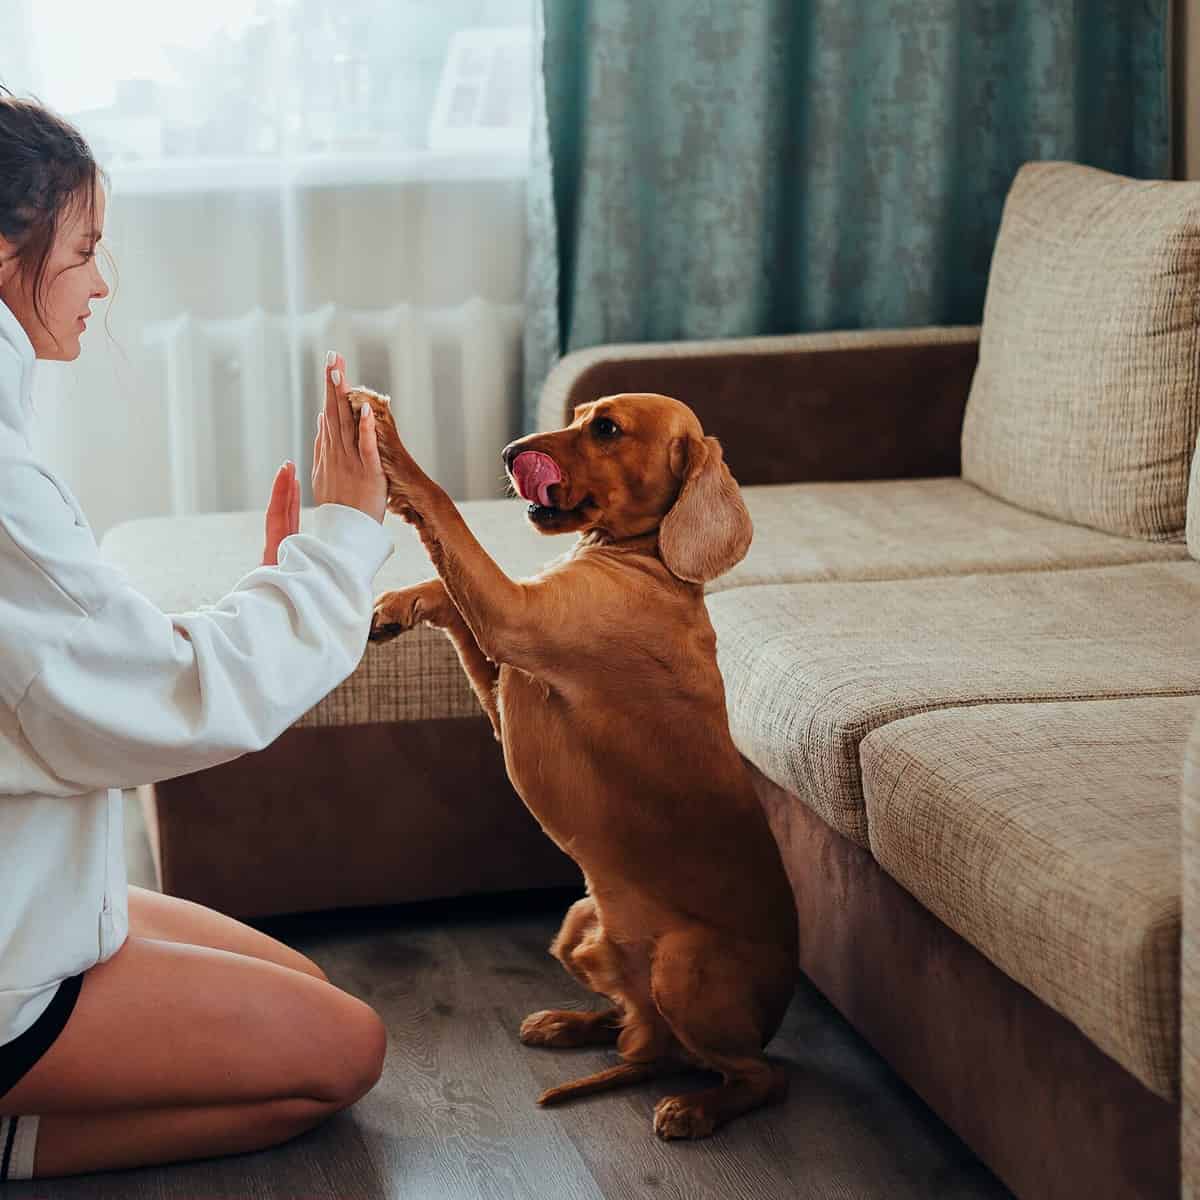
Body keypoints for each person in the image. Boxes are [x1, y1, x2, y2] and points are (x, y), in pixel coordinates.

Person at [0, 91, 394, 1181]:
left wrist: (266, 594)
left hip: (31, 890)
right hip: (5, 961)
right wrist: (345, 540)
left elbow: (66, 672)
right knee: (341, 1050)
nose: (102, 283)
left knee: (308, 999)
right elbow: (178, 699)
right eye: (83, 250)